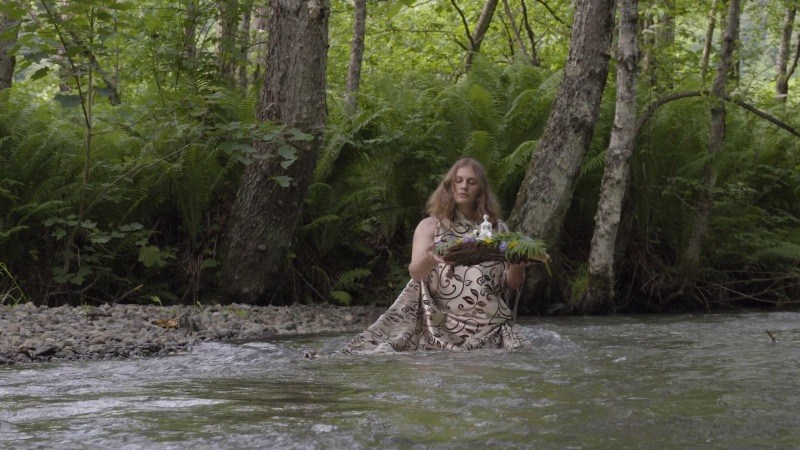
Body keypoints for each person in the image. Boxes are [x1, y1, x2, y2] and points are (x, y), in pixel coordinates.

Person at [340, 157, 532, 354]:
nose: (463, 186)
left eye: (471, 182)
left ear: (481, 190)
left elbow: (511, 284)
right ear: (449, 186)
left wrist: (517, 266)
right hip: (440, 325)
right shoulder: (430, 226)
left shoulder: (498, 229)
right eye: (458, 180)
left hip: (490, 325)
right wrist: (431, 258)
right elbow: (415, 274)